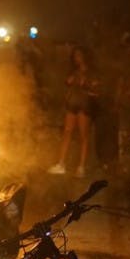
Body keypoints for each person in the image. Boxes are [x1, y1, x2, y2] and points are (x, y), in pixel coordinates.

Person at [49, 45, 99, 177]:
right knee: (67, 132)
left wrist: (86, 84)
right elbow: (67, 84)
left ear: (84, 56)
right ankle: (61, 164)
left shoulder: (91, 71)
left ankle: (81, 167)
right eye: (75, 55)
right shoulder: (73, 70)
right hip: (72, 103)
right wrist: (70, 82)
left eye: (79, 55)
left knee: (84, 135)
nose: (77, 58)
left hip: (84, 104)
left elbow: (96, 91)